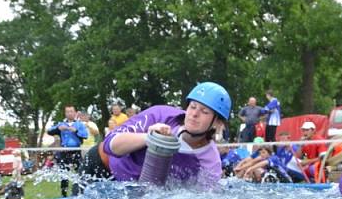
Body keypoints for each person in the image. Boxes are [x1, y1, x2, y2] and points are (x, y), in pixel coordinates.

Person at [78, 81, 231, 189]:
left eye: (204, 111)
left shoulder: (211, 163)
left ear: (217, 123)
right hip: (101, 168)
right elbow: (109, 145)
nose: (194, 114)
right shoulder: (160, 114)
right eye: (193, 107)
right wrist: (148, 137)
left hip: (132, 191)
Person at [47, 105, 89, 197]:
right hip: (64, 152)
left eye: (71, 111)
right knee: (64, 173)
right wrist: (58, 129)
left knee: (80, 172)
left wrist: (76, 131)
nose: (69, 113)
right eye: (67, 112)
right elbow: (49, 131)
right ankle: (64, 194)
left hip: (76, 151)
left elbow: (85, 135)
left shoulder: (79, 124)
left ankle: (81, 192)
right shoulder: (61, 124)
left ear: (75, 113)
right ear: (65, 113)